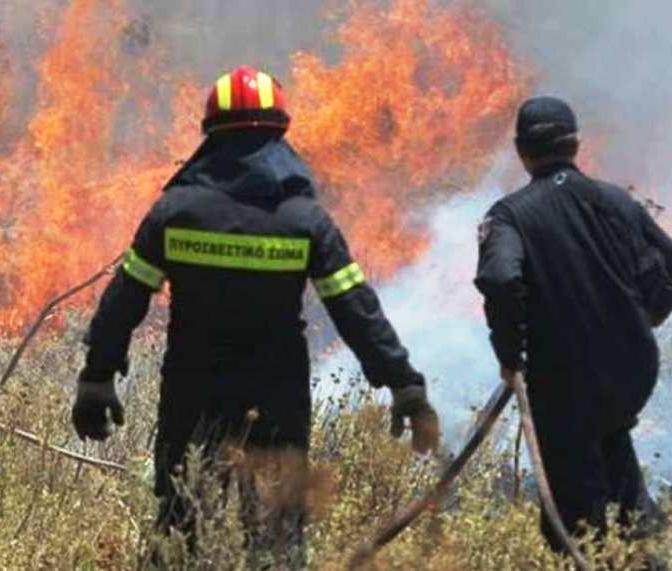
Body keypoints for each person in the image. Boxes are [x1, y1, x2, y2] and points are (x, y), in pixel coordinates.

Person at [72, 65, 439, 568]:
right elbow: (355, 310)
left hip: (192, 392)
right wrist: (404, 384)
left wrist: (97, 376)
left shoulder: (176, 211)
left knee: (179, 530)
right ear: (279, 135)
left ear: (211, 136)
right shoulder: (303, 220)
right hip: (276, 399)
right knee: (276, 541)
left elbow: (125, 299)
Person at [475, 96, 672, 560]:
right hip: (631, 371)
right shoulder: (614, 201)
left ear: (521, 150)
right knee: (612, 443)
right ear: (574, 144)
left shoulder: (510, 215)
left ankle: (587, 550)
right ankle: (645, 548)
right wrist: (645, 319)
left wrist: (511, 355)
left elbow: (500, 278)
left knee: (575, 506)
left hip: (563, 380)